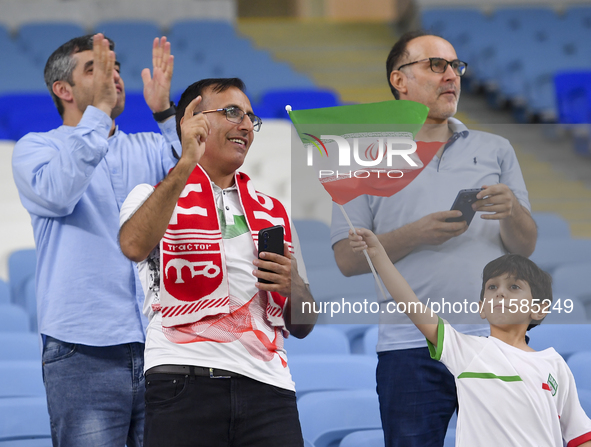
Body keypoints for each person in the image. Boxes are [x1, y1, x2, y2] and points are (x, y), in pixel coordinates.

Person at [330, 30, 538, 446]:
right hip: (410, 348)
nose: (452, 76)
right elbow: (347, 261)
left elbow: (525, 247)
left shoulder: (496, 148)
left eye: (456, 66)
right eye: (435, 65)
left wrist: (512, 210)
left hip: (494, 341)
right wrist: (415, 234)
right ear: (399, 80)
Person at [118, 77, 317, 447]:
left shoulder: (272, 212)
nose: (245, 125)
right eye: (231, 112)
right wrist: (187, 161)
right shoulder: (149, 195)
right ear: (193, 119)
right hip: (183, 382)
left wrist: (296, 287)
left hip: (270, 391)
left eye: (250, 118)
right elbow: (132, 245)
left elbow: (304, 325)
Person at [12, 33, 181, 446]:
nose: (114, 75)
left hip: (163, 346)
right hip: (81, 353)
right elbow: (58, 192)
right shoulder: (36, 149)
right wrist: (100, 111)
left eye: (116, 68)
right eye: (97, 68)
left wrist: (164, 113)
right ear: (63, 90)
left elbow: (200, 181)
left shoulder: (149, 146)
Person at [349, 228, 591, 446]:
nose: (500, 294)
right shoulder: (466, 351)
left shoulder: (555, 364)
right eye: (492, 288)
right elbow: (412, 305)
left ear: (539, 308)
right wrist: (379, 255)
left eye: (514, 287)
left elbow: (580, 436)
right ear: (482, 308)